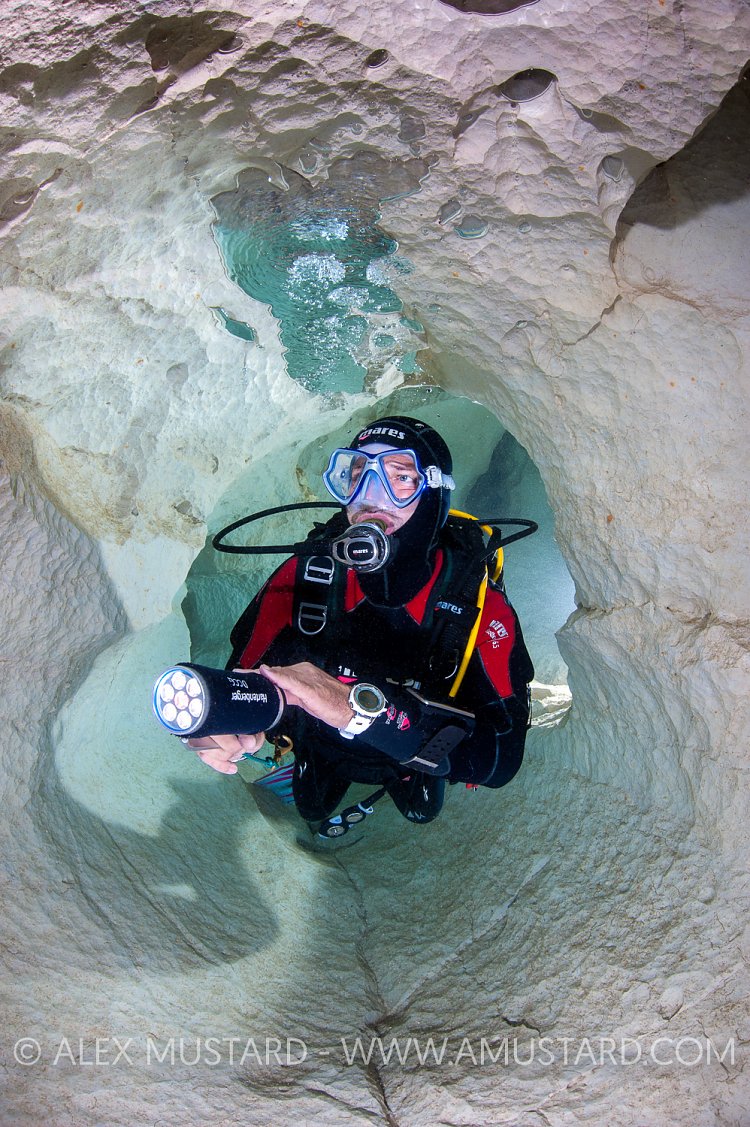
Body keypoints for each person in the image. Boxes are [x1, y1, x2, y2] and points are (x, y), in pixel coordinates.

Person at [188, 415, 534, 826]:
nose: (371, 497)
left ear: (435, 493)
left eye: (400, 477)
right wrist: (217, 718)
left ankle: (399, 781)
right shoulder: (303, 577)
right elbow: (243, 674)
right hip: (323, 741)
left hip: (412, 752)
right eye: (357, 475)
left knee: (422, 811)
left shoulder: (478, 604)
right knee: (312, 808)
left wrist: (356, 711)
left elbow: (501, 760)